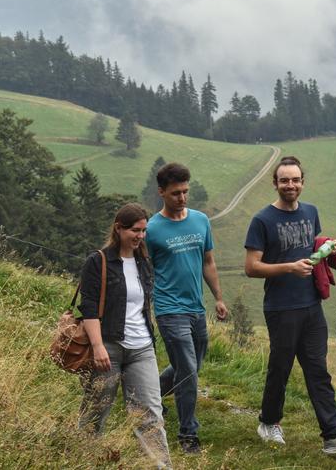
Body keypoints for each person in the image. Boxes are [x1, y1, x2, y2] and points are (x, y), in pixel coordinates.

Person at [244, 156, 336, 455]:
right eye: (284, 180)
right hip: (280, 307)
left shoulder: (311, 212)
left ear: (302, 182)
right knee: (280, 368)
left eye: (295, 180)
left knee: (317, 371)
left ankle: (332, 435)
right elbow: (251, 267)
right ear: (275, 184)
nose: (290, 185)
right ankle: (269, 422)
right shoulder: (262, 220)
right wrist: (289, 267)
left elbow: (313, 248)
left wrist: (330, 249)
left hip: (311, 304)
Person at [78, 203, 171, 469]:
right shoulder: (98, 261)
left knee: (150, 415)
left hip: (142, 348)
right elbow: (89, 308)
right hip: (108, 347)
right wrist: (97, 347)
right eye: (134, 230)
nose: (140, 236)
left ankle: (161, 466)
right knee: (96, 412)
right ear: (118, 228)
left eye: (143, 231)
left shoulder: (144, 262)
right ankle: (82, 460)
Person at [146, 162, 228, 454]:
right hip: (169, 309)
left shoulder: (200, 220)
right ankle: (187, 434)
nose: (182, 198)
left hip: (196, 307)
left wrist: (218, 298)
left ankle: (148, 398)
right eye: (175, 193)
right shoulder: (152, 230)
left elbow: (208, 262)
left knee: (188, 368)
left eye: (185, 192)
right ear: (161, 193)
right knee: (189, 372)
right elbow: (145, 270)